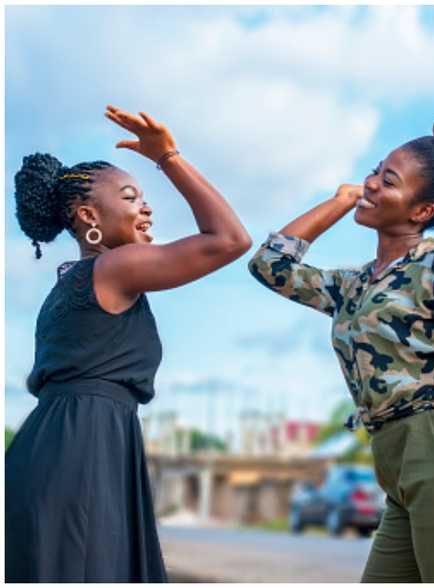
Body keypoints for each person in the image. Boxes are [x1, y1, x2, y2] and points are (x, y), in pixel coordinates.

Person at [5, 106, 252, 582]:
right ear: (88, 216)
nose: (146, 206)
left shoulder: (69, 284)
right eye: (131, 197)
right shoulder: (116, 268)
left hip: (59, 445)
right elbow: (229, 240)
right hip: (84, 446)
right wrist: (168, 157)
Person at [248, 117, 434, 583]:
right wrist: (338, 203)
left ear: (421, 211)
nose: (371, 184)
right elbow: (269, 266)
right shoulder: (354, 284)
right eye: (376, 171)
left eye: (389, 181)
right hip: (392, 458)